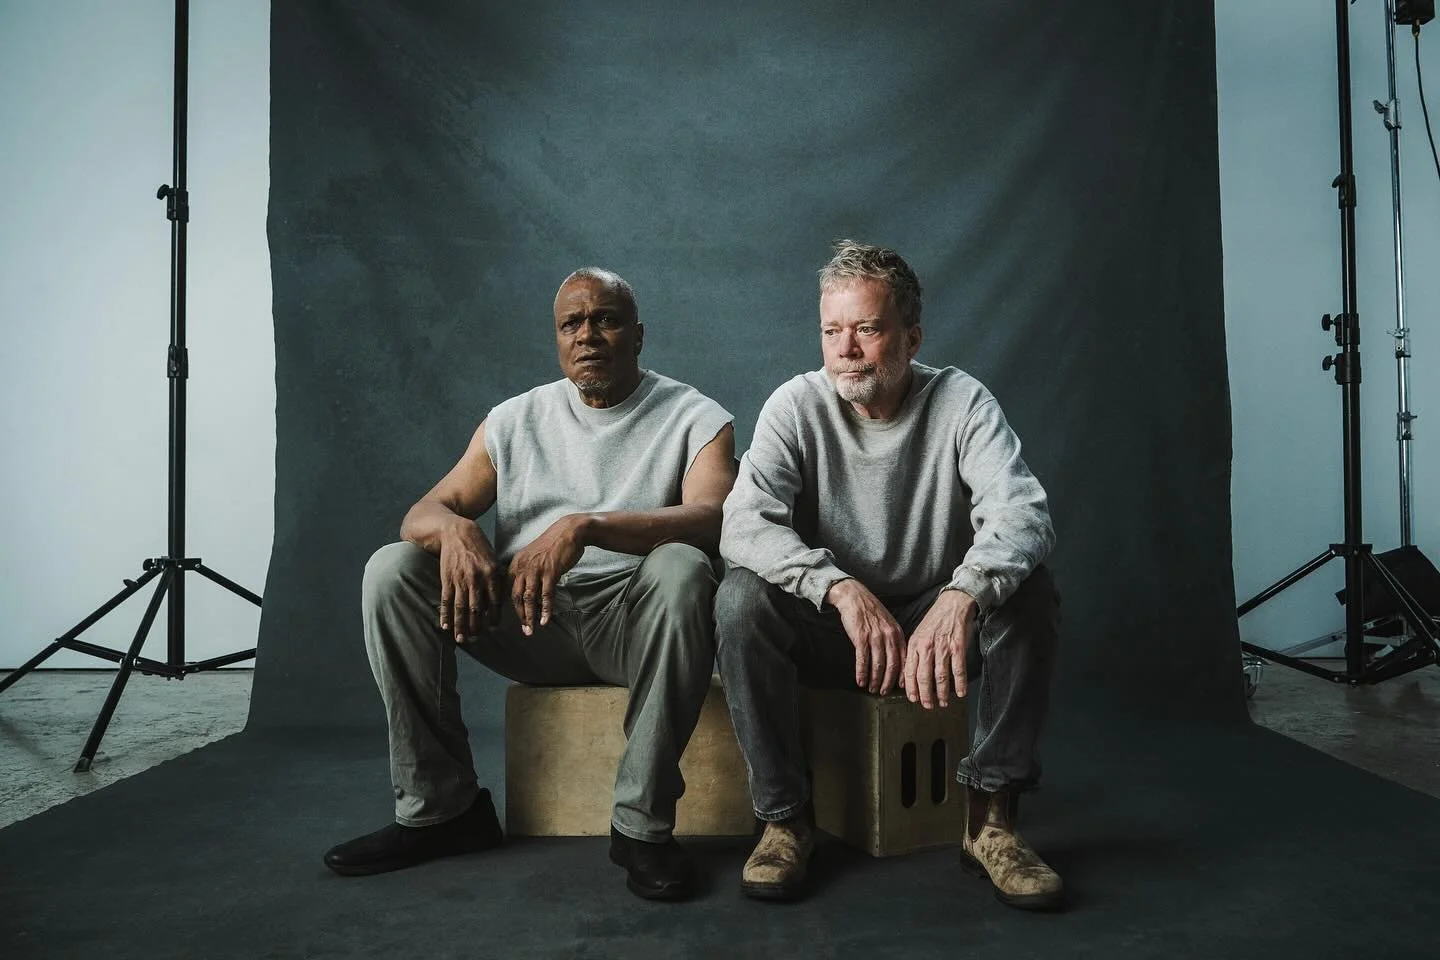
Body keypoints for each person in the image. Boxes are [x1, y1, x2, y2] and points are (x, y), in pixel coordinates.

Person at [324, 267, 736, 902]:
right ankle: (442, 810)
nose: (588, 335)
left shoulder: (695, 416)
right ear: (558, 339)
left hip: (633, 624)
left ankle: (641, 826)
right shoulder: (514, 419)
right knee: (394, 569)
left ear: (638, 335)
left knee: (684, 566)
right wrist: (457, 531)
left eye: (606, 320)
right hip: (528, 620)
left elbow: (713, 518)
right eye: (572, 324)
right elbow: (422, 513)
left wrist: (586, 526)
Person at [715, 240, 1062, 910]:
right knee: (740, 599)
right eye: (831, 331)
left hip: (935, 627)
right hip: (833, 628)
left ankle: (991, 821)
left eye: (867, 330)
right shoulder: (796, 405)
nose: (845, 350)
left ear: (912, 338)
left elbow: (1025, 514)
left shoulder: (961, 400)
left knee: (1029, 591)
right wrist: (835, 586)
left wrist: (964, 593)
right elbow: (742, 525)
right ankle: (784, 820)